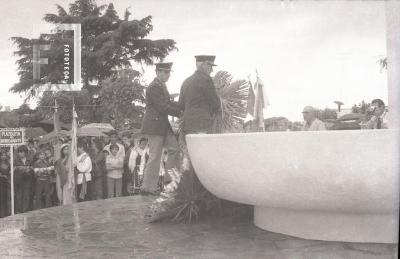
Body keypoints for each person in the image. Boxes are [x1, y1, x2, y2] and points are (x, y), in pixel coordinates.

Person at [140, 62, 182, 195]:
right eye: (165, 72)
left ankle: (169, 181)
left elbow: (168, 103)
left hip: (162, 125)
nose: (168, 75)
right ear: (157, 72)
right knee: (155, 156)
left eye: (169, 72)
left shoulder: (162, 86)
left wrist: (183, 106)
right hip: (155, 126)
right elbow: (162, 107)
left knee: (174, 149)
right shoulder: (154, 87)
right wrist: (181, 113)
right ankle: (147, 187)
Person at [178, 55, 220, 134]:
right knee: (204, 146)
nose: (212, 70)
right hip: (203, 125)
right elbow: (215, 104)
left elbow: (180, 105)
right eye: (210, 66)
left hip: (188, 126)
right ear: (204, 65)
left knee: (192, 146)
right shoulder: (206, 80)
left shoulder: (186, 81)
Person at [13, 145, 34, 213]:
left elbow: (33, 168)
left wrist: (29, 169)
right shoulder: (15, 160)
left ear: (25, 152)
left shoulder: (30, 160)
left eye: (21, 152)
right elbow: (13, 169)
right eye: (19, 152)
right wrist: (19, 169)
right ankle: (19, 211)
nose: (20, 153)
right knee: (19, 196)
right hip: (19, 180)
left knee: (26, 195)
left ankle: (25, 210)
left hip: (27, 180)